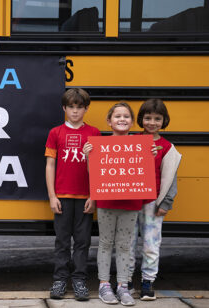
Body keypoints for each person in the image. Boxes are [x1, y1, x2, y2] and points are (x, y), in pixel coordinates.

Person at [83, 101, 156, 306]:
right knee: (106, 243)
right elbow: (93, 175)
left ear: (132, 122)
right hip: (106, 201)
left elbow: (143, 171)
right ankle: (104, 285)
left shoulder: (141, 145)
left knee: (124, 245)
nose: (122, 119)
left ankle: (123, 285)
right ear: (109, 121)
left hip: (131, 201)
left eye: (126, 116)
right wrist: (88, 156)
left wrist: (150, 156)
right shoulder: (99, 145)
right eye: (117, 116)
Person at [45, 88, 101, 301]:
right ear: (64, 108)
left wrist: (94, 195)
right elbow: (50, 165)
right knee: (61, 241)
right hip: (62, 196)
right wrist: (52, 196)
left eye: (79, 107)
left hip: (85, 197)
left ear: (86, 109)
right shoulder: (56, 133)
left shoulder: (94, 133)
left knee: (82, 241)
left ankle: (79, 280)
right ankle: (59, 279)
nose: (75, 111)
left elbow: (98, 167)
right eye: (71, 107)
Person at [128, 99, 182, 300]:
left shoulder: (167, 147)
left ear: (164, 120)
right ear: (141, 119)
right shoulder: (131, 140)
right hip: (129, 202)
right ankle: (125, 281)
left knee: (151, 244)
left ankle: (147, 281)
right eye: (147, 118)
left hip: (152, 202)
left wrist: (165, 203)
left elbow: (171, 177)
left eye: (157, 119)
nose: (152, 122)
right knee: (127, 243)